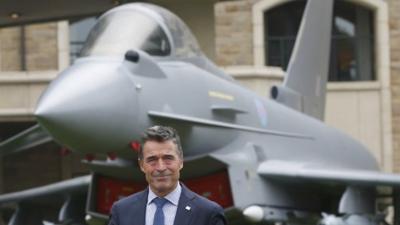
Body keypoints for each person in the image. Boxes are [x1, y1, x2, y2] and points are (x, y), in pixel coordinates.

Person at [108, 125, 227, 225]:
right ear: (141, 165)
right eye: (152, 160)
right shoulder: (121, 212)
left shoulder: (208, 213)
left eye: (168, 158)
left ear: (180, 161)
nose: (161, 167)